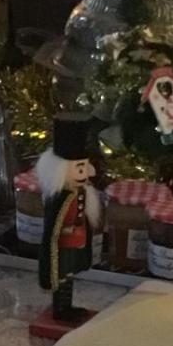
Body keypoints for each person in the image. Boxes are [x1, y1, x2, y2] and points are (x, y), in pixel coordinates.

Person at [36, 114, 102, 324]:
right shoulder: (61, 198)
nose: (85, 173)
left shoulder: (81, 191)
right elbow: (54, 227)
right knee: (61, 276)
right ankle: (60, 309)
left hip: (76, 242)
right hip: (63, 245)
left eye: (85, 167)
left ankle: (68, 306)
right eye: (79, 168)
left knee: (70, 275)